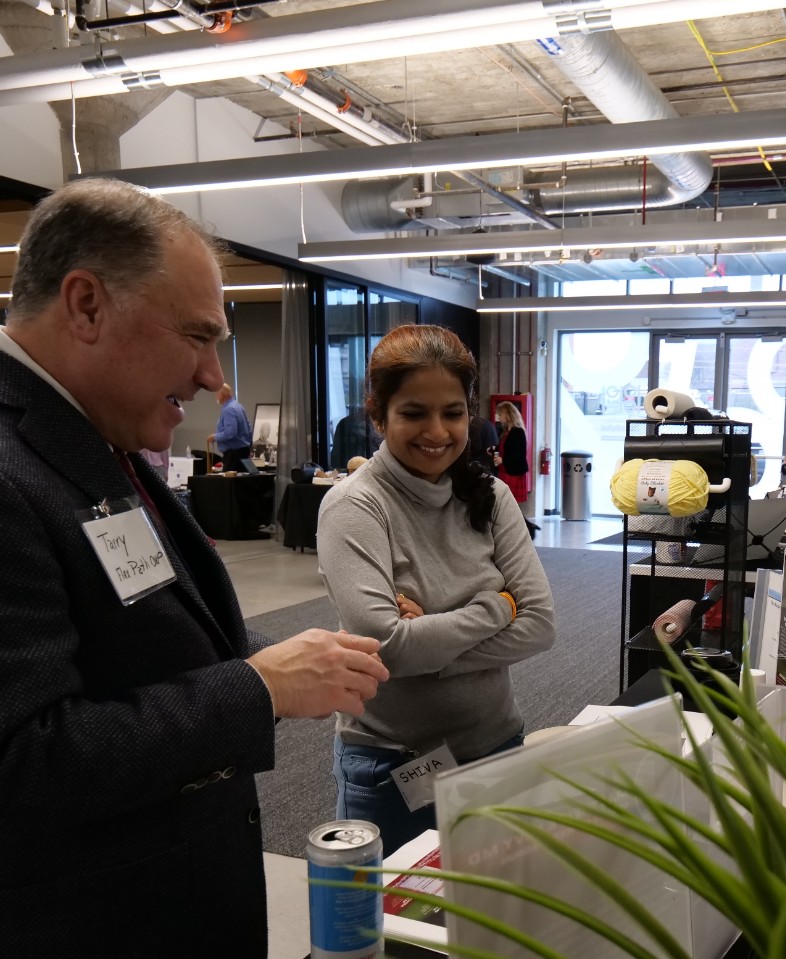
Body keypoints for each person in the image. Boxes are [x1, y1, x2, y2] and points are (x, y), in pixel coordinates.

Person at [0, 178, 389, 955]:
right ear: (85, 306)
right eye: (197, 335)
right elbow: (23, 762)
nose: (215, 375)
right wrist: (259, 686)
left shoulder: (91, 444)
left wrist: (257, 668)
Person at [317, 326, 555, 855]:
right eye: (413, 413)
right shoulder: (356, 506)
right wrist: (499, 605)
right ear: (378, 415)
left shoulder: (490, 497)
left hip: (495, 744)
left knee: (490, 919)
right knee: (388, 928)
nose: (437, 431)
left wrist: (430, 641)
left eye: (452, 412)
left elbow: (540, 625)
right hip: (394, 761)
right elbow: (388, 647)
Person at [207, 381, 252, 468]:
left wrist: (214, 437)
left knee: (231, 481)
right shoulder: (239, 406)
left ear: (222, 395)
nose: (216, 395)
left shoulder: (229, 409)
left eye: (217, 393)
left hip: (234, 455)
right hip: (243, 452)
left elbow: (231, 433)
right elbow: (249, 428)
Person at [495, 400, 530, 505]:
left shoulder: (518, 432)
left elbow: (519, 456)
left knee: (510, 504)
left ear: (508, 414)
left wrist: (503, 460)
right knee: (505, 503)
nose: (499, 417)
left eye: (501, 414)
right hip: (504, 471)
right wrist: (493, 450)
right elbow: (503, 448)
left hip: (512, 472)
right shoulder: (505, 431)